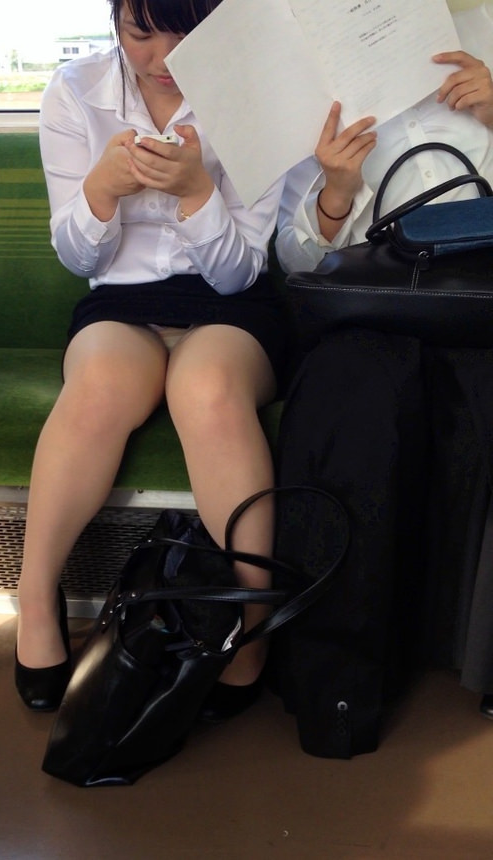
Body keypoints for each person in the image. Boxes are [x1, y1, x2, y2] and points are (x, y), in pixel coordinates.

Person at [14, 0, 291, 719]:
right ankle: (35, 599)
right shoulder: (75, 91)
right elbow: (80, 259)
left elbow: (239, 272)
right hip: (122, 301)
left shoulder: (257, 95)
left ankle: (249, 623)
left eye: (186, 34)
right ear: (115, 22)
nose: (163, 57)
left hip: (230, 303)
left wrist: (197, 193)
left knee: (207, 386)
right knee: (100, 383)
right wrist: (102, 190)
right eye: (142, 33)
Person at [274, 0, 493, 738]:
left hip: (484, 302)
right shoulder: (312, 64)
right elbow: (298, 260)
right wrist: (336, 191)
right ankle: (340, 688)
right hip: (374, 307)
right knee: (346, 401)